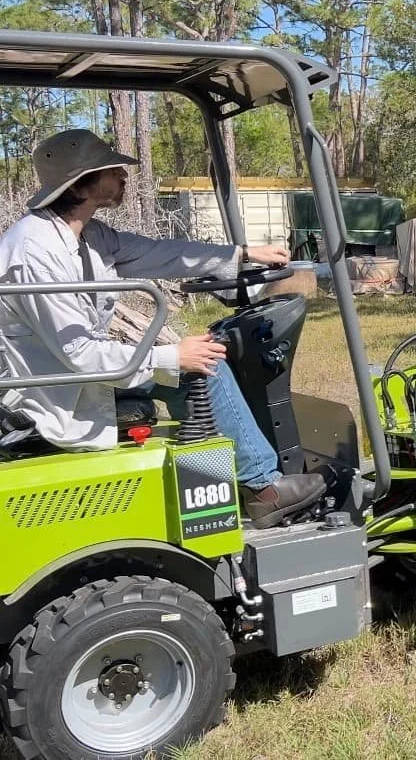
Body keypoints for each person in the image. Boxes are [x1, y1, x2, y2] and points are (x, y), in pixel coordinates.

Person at [0, 129, 325, 529]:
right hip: (58, 392)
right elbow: (81, 354)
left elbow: (160, 253)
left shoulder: (88, 234)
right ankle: (264, 490)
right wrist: (172, 357)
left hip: (79, 375)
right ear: (83, 184)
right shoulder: (35, 253)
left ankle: (222, 484)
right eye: (112, 169)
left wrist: (241, 254)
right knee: (201, 368)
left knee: (199, 367)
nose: (123, 175)